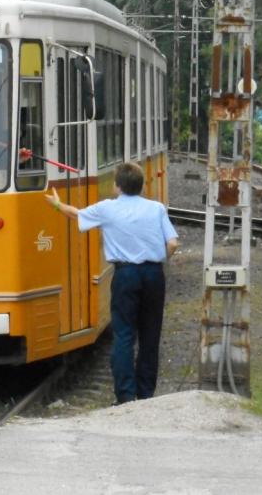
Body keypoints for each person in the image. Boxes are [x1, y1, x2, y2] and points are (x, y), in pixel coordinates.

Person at [46, 162, 179, 404]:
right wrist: (157, 260)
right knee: (150, 336)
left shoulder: (107, 208)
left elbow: (76, 214)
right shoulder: (157, 208)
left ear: (117, 186)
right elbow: (172, 243)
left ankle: (126, 396)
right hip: (153, 275)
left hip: (125, 275)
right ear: (141, 186)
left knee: (124, 334)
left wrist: (57, 204)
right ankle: (146, 394)